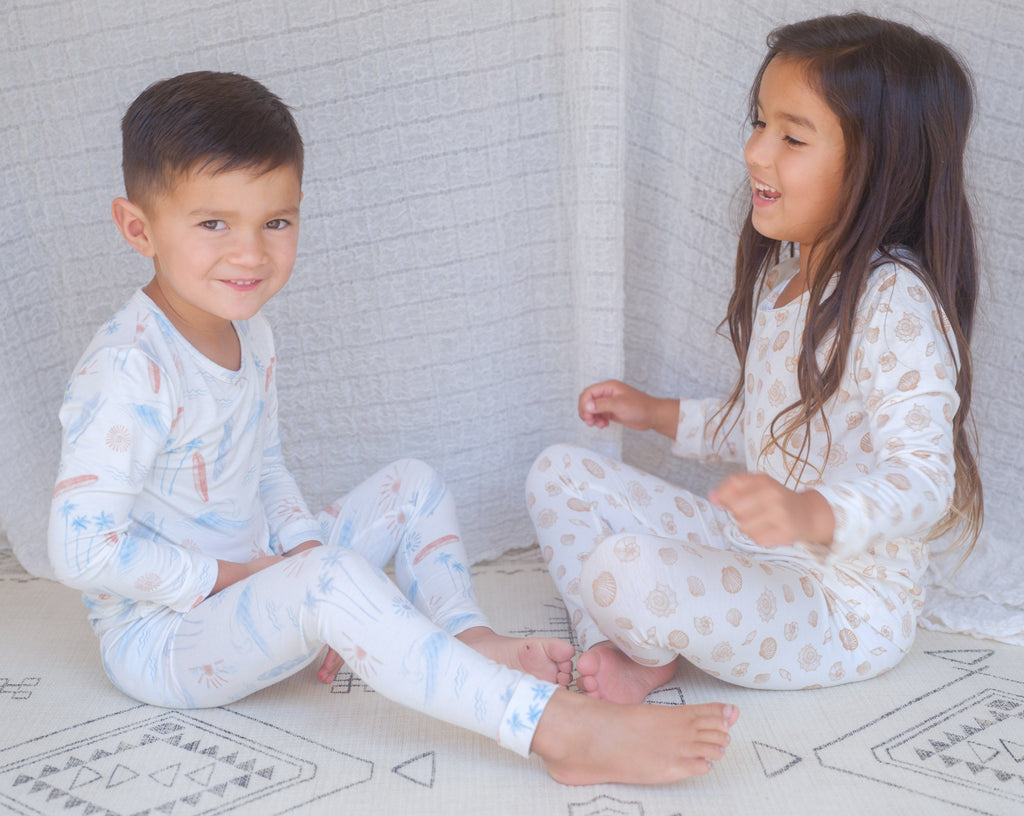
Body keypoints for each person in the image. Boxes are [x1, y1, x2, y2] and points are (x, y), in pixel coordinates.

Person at [48, 70, 737, 786]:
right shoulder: (129, 368)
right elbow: (80, 550)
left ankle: (468, 639)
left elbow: (266, 465)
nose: (250, 253)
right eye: (213, 224)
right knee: (329, 582)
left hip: (257, 573)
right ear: (139, 228)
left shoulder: (250, 332)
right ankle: (556, 729)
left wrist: (300, 556)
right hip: (168, 638)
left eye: (275, 222)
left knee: (413, 486)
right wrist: (251, 578)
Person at [527, 12, 984, 705]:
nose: (756, 152)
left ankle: (633, 636)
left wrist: (809, 514)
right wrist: (656, 413)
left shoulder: (896, 302)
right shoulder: (788, 279)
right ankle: (617, 647)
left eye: (792, 137)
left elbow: (925, 484)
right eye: (759, 123)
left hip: (841, 605)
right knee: (557, 473)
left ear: (882, 167)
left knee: (626, 567)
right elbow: (768, 428)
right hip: (753, 548)